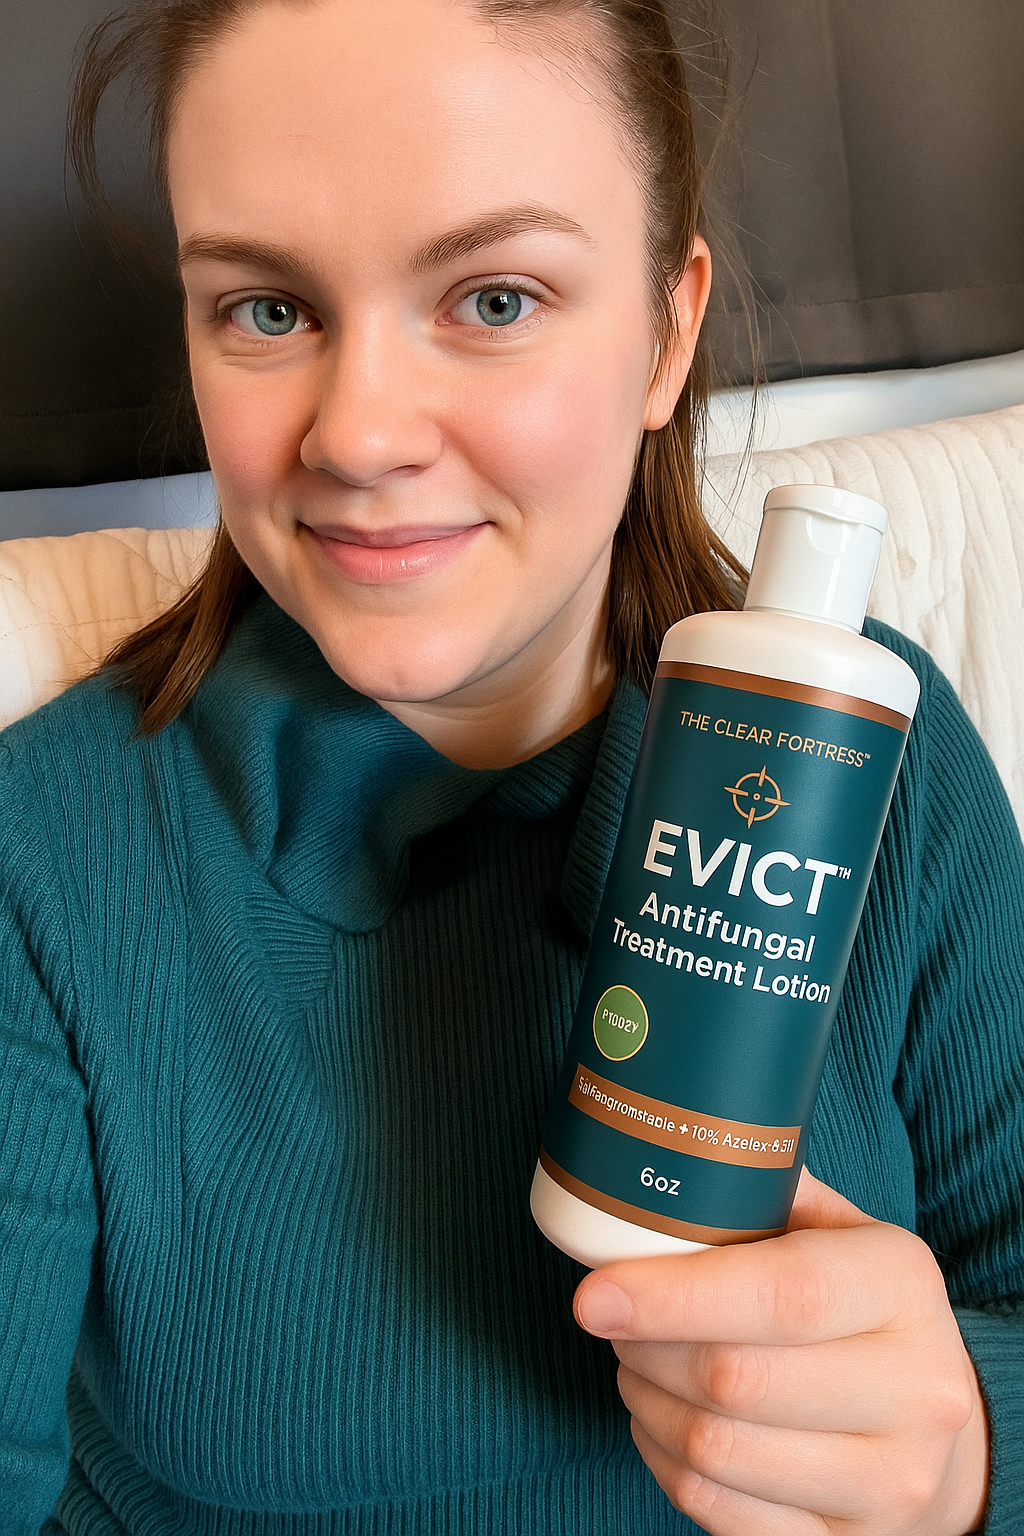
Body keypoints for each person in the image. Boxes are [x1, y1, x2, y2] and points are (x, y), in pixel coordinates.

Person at [1, 1, 1021, 1533]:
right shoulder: (45, 864)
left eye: (493, 298)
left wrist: (974, 1454)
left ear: (667, 333)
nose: (359, 436)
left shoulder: (874, 761)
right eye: (266, 310)